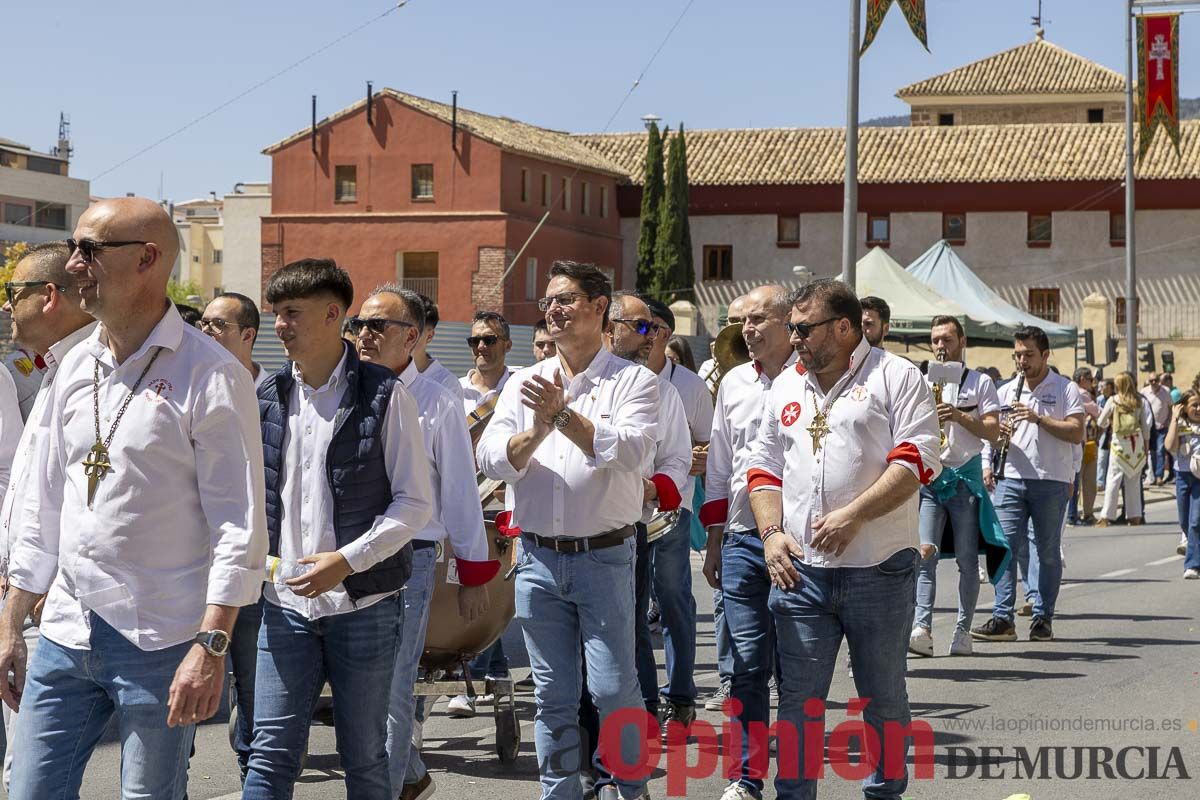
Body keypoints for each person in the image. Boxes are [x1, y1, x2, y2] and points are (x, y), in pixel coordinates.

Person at [0, 197, 267, 799]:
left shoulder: (213, 375)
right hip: (65, 631)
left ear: (147, 259)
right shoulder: (71, 367)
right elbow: (44, 506)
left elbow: (239, 526)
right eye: (73, 248)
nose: (73, 265)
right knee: (29, 792)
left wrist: (211, 644)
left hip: (163, 637)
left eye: (90, 250)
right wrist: (11, 624)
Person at [244, 259, 433, 799]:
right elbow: (251, 498)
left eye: (292, 313)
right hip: (284, 606)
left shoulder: (386, 396)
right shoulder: (266, 397)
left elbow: (415, 504)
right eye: (276, 313)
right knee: (271, 753)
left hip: (365, 606)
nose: (280, 325)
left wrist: (347, 562)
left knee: (365, 756)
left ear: (332, 315)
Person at [746, 278, 940, 800]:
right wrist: (770, 534)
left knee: (882, 699)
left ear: (845, 327)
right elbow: (763, 467)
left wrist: (854, 515)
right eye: (791, 328)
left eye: (803, 329)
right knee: (798, 702)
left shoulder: (896, 376)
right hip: (802, 573)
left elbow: (916, 461)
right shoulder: (787, 383)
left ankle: (883, 793)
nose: (794, 338)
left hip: (878, 568)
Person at [477, 260, 656, 800]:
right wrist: (535, 431)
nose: (552, 309)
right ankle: (558, 792)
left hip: (603, 556)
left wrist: (564, 418)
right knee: (553, 694)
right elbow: (490, 458)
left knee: (612, 688)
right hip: (535, 557)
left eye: (566, 299)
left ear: (600, 307)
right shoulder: (523, 383)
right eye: (548, 301)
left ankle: (629, 786)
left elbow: (631, 451)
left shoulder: (633, 381)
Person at [352, 284, 496, 800]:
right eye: (358, 325)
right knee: (363, 691)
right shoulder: (346, 388)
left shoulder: (437, 397)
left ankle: (393, 787)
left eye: (377, 327)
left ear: (411, 337)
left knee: (392, 688)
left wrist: (471, 572)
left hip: (409, 562)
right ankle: (410, 777)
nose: (363, 336)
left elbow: (459, 488)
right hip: (347, 560)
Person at [0, 241, 96, 789]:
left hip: (57, 610)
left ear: (50, 296)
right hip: (30, 599)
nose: (8, 306)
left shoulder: (93, 372)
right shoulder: (52, 372)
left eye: (15, 293)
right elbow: (28, 490)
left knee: (30, 775)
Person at [700, 284, 794, 800]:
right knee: (746, 665)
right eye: (745, 321)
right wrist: (714, 541)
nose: (748, 329)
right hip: (739, 541)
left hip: (798, 545)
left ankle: (796, 777)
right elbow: (719, 468)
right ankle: (746, 776)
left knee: (797, 667)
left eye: (759, 319)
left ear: (787, 323)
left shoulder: (810, 381)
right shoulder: (734, 382)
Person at [598, 291, 688, 781]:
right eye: (643, 327)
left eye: (654, 328)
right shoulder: (560, 377)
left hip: (626, 529)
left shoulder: (661, 390)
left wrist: (649, 485)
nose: (653, 337)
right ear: (609, 326)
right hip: (560, 538)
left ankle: (644, 721)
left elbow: (674, 462)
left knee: (628, 635)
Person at [194, 291, 268, 781]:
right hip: (195, 567)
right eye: (202, 323)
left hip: (258, 566)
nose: (206, 332)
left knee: (253, 682)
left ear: (248, 335)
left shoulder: (277, 393)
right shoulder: (189, 385)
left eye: (217, 325)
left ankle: (254, 769)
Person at [972, 327, 1085, 644]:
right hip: (1010, 478)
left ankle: (1042, 617)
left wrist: (1038, 419)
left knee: (1047, 552)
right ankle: (1002, 617)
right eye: (1017, 355)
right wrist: (987, 461)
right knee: (1004, 548)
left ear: (1045, 355)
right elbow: (989, 432)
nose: (1022, 361)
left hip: (1050, 480)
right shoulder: (1006, 391)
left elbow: (1076, 432)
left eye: (1029, 355)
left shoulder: (1065, 389)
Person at [910, 315, 1004, 659]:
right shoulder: (922, 380)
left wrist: (959, 415)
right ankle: (923, 628)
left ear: (962, 342)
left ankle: (963, 630)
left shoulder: (980, 383)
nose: (940, 346)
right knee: (925, 555)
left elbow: (993, 431)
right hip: (932, 479)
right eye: (935, 339)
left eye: (947, 339)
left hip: (964, 479)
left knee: (967, 560)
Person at [642, 296, 714, 735]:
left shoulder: (689, 385)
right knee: (629, 609)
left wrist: (684, 456)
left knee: (671, 600)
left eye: (641, 326)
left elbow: (710, 449)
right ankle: (647, 701)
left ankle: (682, 694)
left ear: (663, 334)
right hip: (621, 511)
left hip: (673, 510)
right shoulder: (613, 376)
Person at [448, 310, 517, 717]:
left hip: (505, 505)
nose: (481, 347)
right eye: (474, 340)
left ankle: (474, 682)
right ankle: (477, 677)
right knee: (466, 590)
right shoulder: (454, 391)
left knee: (497, 595)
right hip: (465, 503)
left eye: (490, 339)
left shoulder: (520, 387)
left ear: (507, 344)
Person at [1096, 371, 1153, 528]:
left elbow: (1100, 422)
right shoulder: (1139, 401)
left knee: (1113, 481)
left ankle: (1106, 516)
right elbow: (1145, 428)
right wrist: (1146, 447)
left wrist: (1109, 423)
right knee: (1134, 482)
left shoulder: (1113, 401)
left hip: (1119, 445)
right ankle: (1135, 516)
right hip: (1137, 446)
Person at [1165, 391, 1200, 579]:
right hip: (1182, 477)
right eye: (1194, 405)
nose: (1198, 409)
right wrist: (1174, 419)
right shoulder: (1181, 424)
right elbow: (1169, 446)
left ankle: (1192, 565)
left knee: (1196, 521)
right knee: (1185, 522)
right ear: (1185, 407)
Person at [202, 292, 269, 388]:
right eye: (204, 323)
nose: (205, 330)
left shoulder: (277, 397)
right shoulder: (193, 387)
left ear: (247, 335)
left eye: (218, 323)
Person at [412, 293, 466, 405]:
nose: (405, 338)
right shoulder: (385, 375)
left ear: (430, 336)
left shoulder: (447, 385)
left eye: (413, 332)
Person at [1066, 368, 1101, 526]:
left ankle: (1071, 514)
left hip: (1068, 439)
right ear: (1081, 379)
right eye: (1089, 379)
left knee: (1071, 478)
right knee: (1077, 479)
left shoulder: (1067, 389)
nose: (1092, 382)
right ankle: (1072, 514)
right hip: (1079, 440)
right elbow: (1098, 412)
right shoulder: (1081, 393)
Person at [1141, 374, 1172, 486]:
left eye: (1155, 380)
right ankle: (1152, 475)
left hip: (1162, 426)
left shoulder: (1166, 391)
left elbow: (1170, 407)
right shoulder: (1144, 392)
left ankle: (1159, 476)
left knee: (1160, 450)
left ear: (1159, 381)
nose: (1153, 382)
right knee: (1151, 452)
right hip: (1149, 427)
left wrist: (1168, 421)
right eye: (1151, 381)